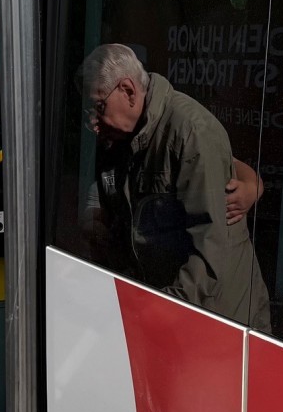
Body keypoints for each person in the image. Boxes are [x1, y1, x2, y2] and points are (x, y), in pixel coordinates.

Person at [81, 43, 272, 330]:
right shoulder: (119, 138)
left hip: (215, 320)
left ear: (128, 91)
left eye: (98, 107)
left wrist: (157, 313)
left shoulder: (191, 132)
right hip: (168, 306)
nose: (93, 124)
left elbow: (209, 250)